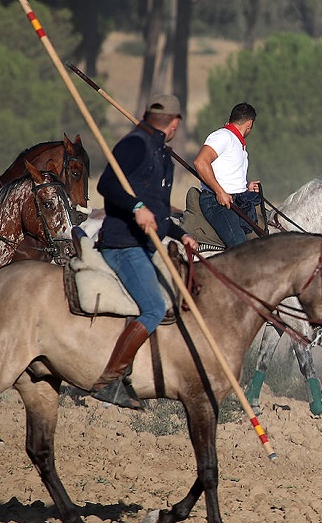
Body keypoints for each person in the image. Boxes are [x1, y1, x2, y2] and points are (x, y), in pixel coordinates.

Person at [91, 93, 198, 409]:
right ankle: (109, 382)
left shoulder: (161, 153)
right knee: (152, 308)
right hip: (124, 244)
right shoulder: (135, 144)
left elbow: (159, 212)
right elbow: (107, 185)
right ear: (175, 122)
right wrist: (135, 206)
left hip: (146, 245)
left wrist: (181, 233)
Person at [193, 102, 262, 248]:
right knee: (239, 246)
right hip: (216, 202)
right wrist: (220, 192)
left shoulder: (238, 143)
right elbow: (200, 162)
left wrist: (245, 187)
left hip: (236, 200)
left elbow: (227, 174)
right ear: (249, 123)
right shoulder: (223, 136)